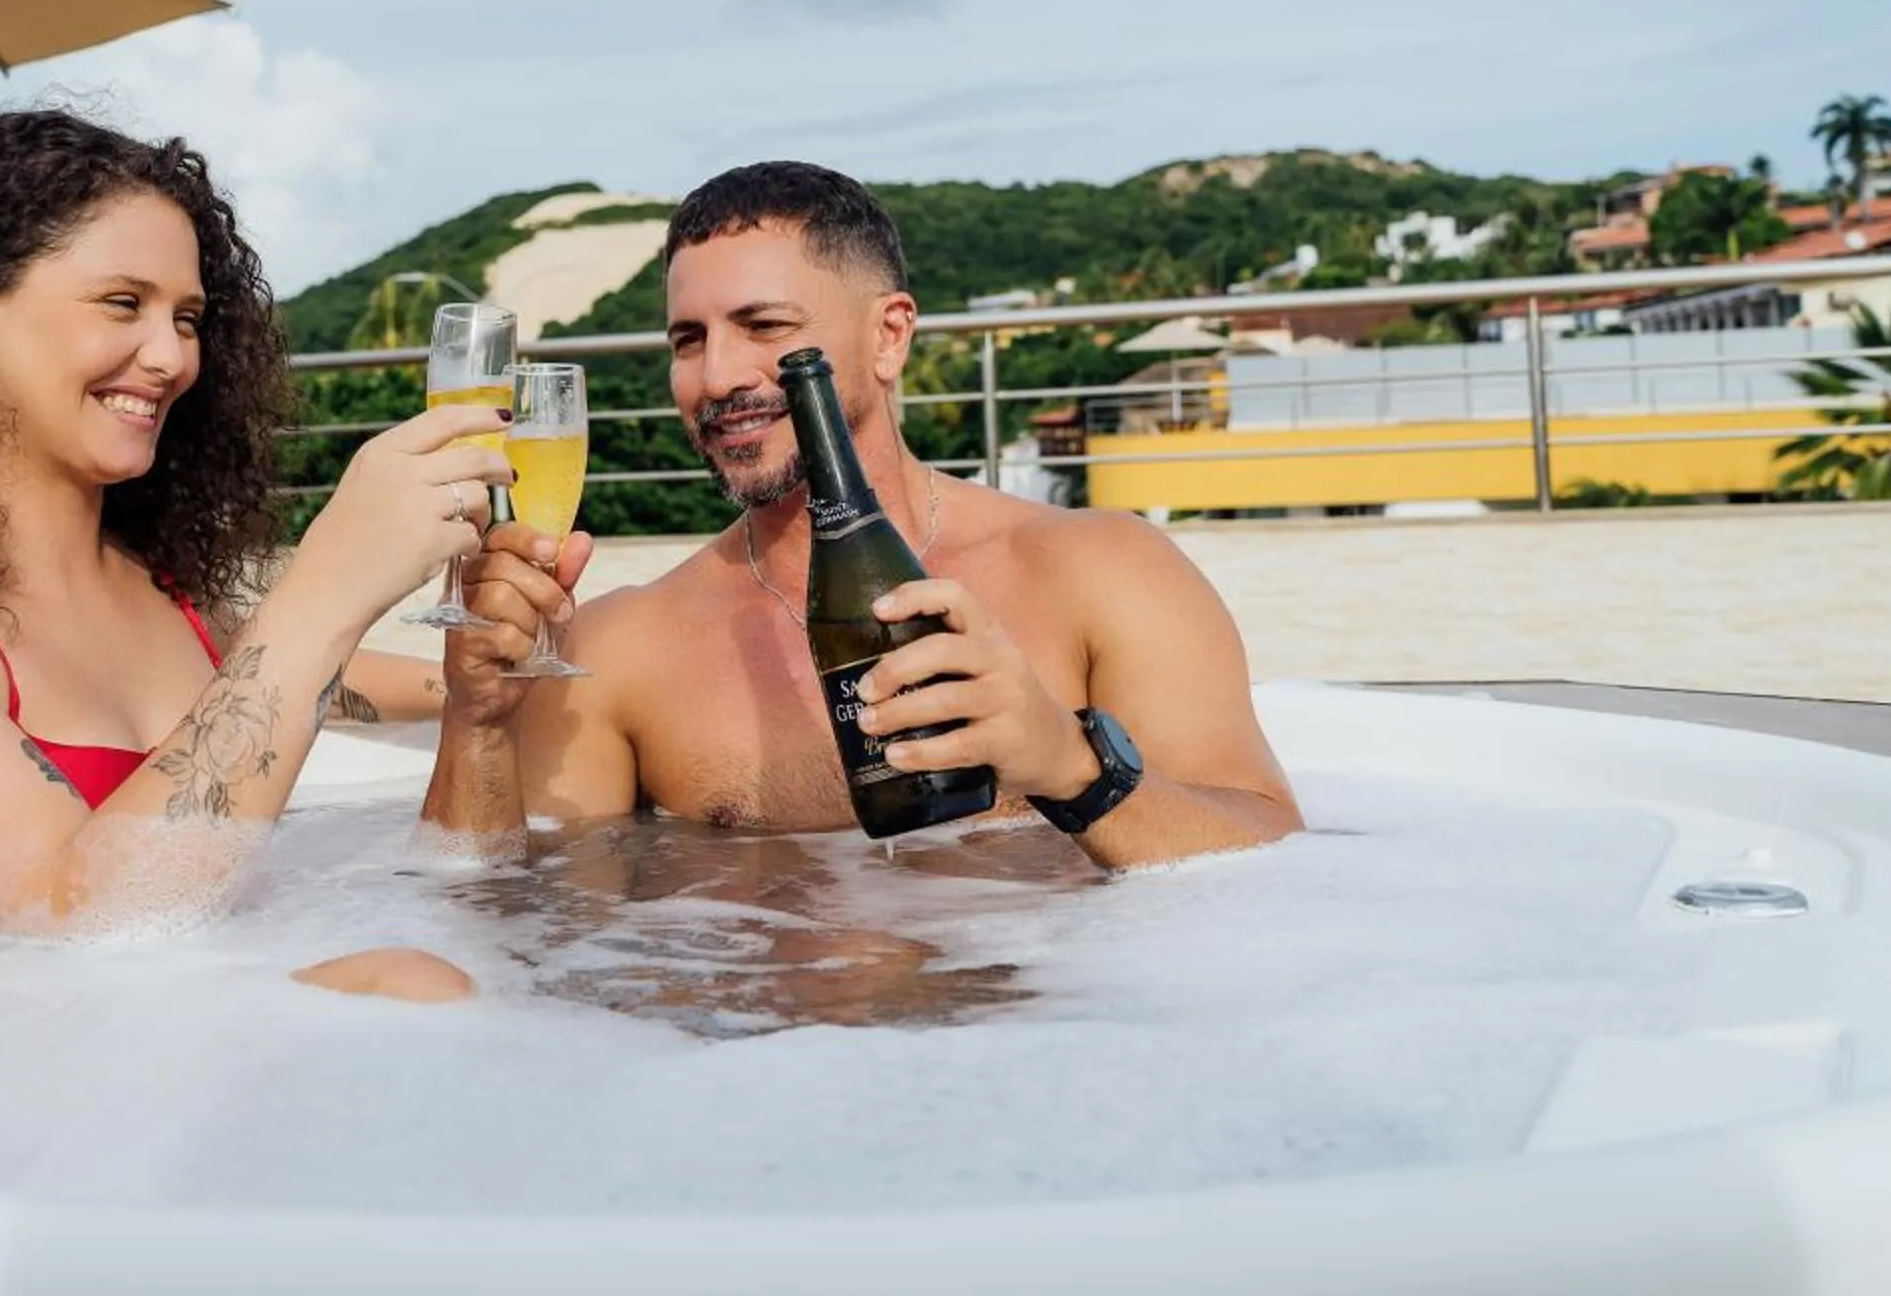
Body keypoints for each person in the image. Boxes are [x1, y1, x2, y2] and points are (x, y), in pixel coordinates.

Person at [416, 160, 1302, 868]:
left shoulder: (1104, 572)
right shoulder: (624, 645)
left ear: (889, 335)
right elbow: (516, 936)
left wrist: (1071, 769)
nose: (718, 376)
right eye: (689, 339)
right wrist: (477, 720)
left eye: (762, 325)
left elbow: (1277, 867)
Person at [0, 108, 509, 940]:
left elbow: (332, 680)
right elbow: (80, 923)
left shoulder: (170, 606)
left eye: (187, 319)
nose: (171, 358)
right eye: (123, 304)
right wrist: (328, 582)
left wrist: (485, 677)